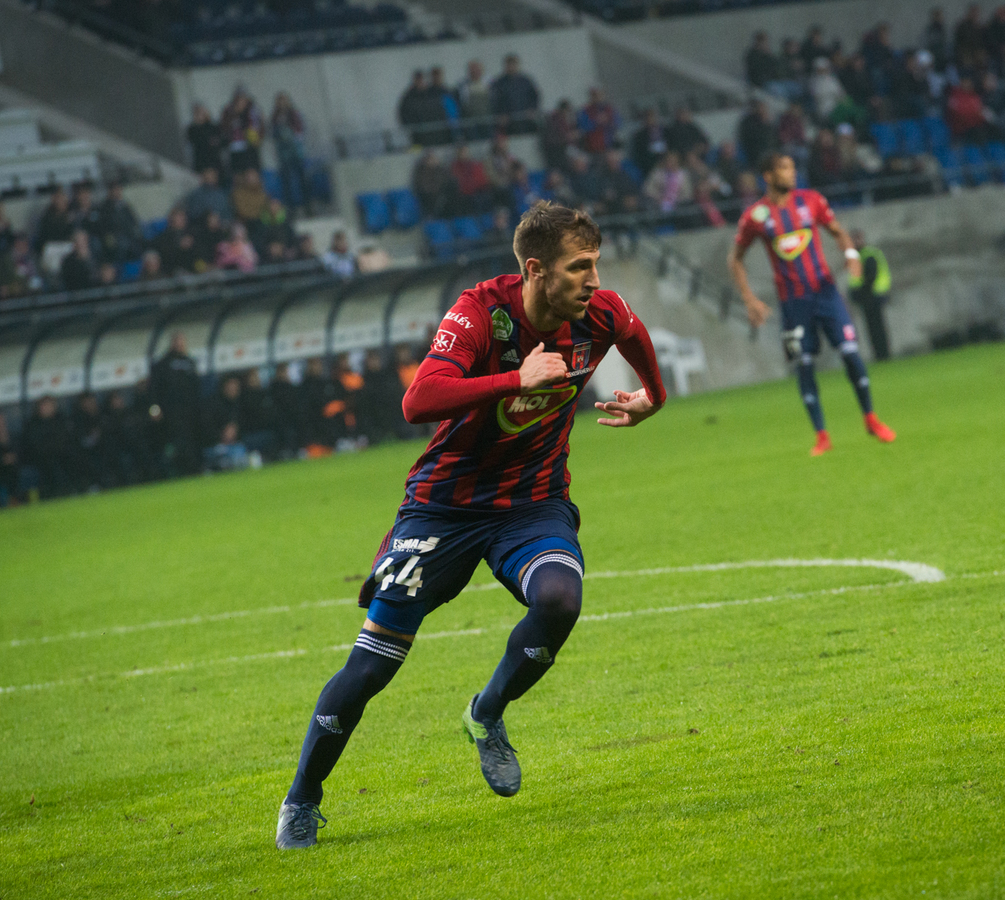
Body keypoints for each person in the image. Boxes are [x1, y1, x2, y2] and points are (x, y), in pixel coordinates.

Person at [275, 202, 667, 849]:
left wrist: (654, 395)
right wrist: (516, 377)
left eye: (595, 264)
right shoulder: (481, 313)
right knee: (371, 666)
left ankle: (487, 712)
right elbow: (418, 400)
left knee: (559, 599)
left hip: (532, 502)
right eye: (579, 267)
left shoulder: (598, 312)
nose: (593, 280)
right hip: (444, 506)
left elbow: (633, 330)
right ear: (536, 270)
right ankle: (301, 799)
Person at [729, 152, 896, 456]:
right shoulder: (755, 217)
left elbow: (838, 232)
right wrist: (749, 299)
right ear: (768, 176)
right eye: (784, 168)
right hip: (793, 304)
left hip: (826, 293)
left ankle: (871, 418)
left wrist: (851, 256)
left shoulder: (812, 201)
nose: (791, 173)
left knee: (851, 353)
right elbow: (735, 259)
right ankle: (822, 436)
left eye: (792, 167)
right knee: (803, 364)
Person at [150, 332, 202, 475]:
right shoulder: (162, 364)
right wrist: (155, 409)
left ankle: (193, 468)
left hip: (190, 412)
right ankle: (178, 469)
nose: (180, 345)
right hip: (171, 412)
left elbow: (196, 387)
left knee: (190, 440)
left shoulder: (190, 362)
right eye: (177, 342)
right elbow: (154, 389)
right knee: (176, 442)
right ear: (172, 344)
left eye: (182, 342)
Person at [847, 228, 892, 361]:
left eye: (857, 239)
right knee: (872, 328)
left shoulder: (868, 254)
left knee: (877, 328)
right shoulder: (858, 256)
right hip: (867, 297)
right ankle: (880, 354)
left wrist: (860, 292)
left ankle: (883, 354)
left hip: (873, 296)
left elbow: (870, 277)